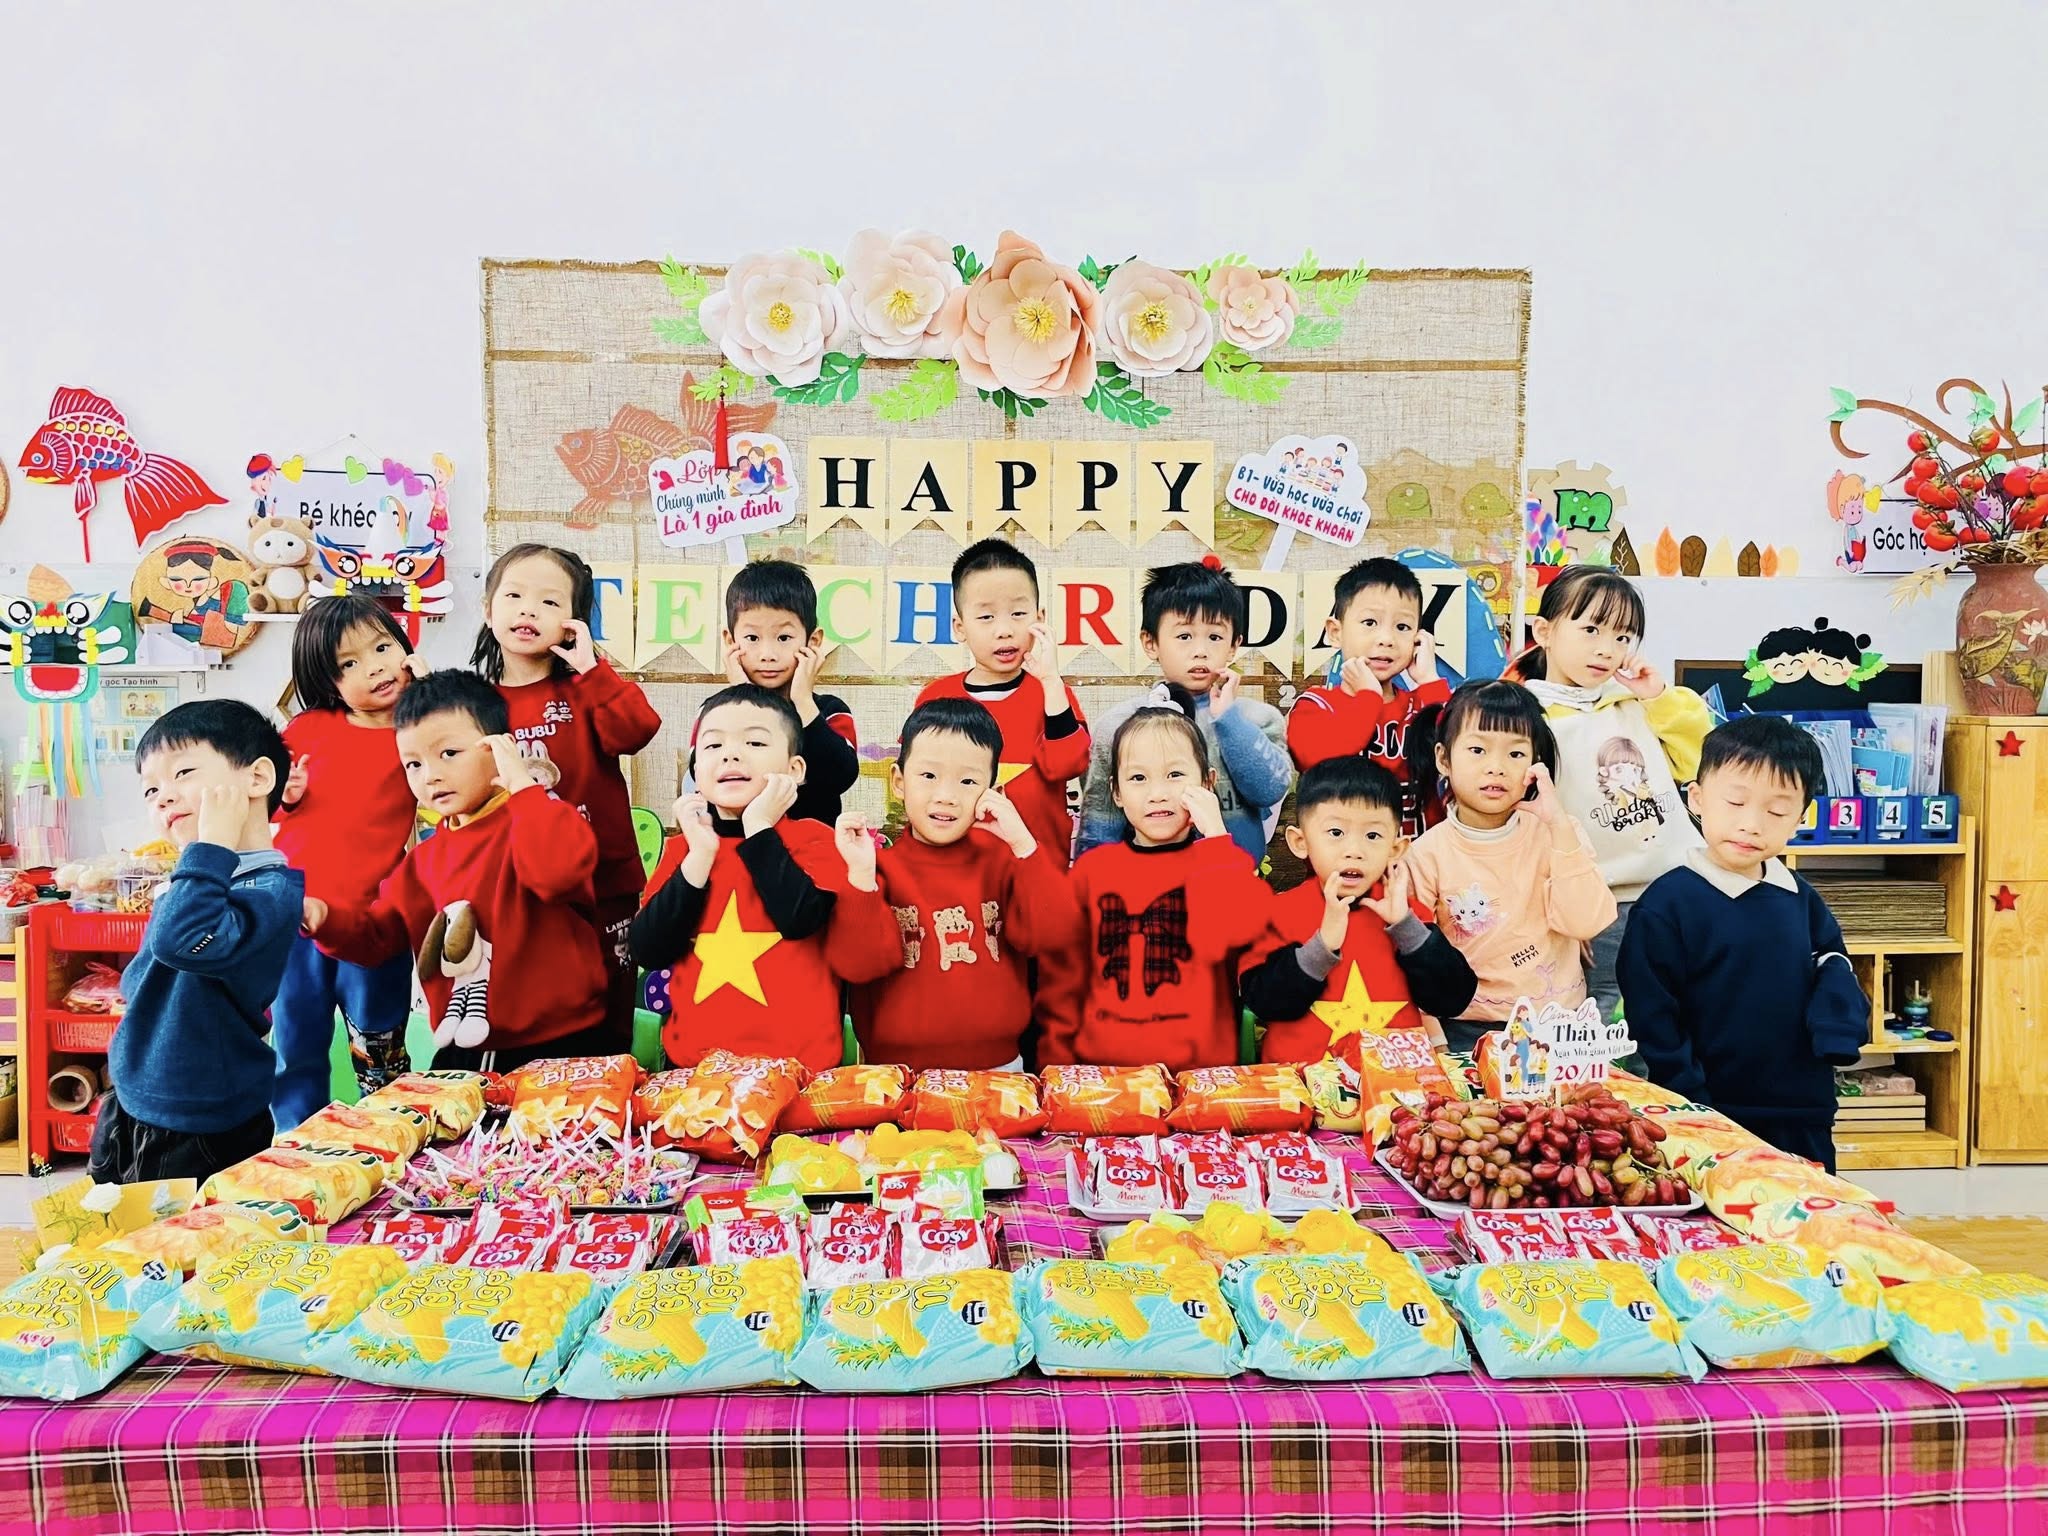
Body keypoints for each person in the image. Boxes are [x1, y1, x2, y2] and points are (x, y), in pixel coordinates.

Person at [304, 670, 609, 1073]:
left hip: (563, 1044)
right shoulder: (423, 860)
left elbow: (555, 874)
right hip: (464, 1052)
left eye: (449, 753)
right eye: (413, 764)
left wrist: (521, 783)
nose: (430, 775)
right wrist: (324, 919)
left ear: (500, 748)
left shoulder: (545, 818)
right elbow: (377, 938)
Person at [1618, 715, 1869, 1171]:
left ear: (1802, 816)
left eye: (1776, 811)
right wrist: (1690, 1101)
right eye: (1735, 802)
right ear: (1696, 798)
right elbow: (1653, 1017)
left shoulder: (1799, 897)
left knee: (1808, 1209)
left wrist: (1837, 1032)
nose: (1751, 824)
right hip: (1710, 1114)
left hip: (1803, 1109)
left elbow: (1834, 964)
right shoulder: (1667, 905)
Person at [89, 701, 303, 1184]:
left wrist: (211, 846)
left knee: (182, 1231)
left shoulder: (268, 890)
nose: (163, 797)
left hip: (199, 1117)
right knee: (113, 1220)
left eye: (183, 772)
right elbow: (144, 974)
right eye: (151, 789)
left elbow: (179, 943)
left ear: (257, 778)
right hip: (137, 1094)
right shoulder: (201, 876)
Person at [629, 684, 894, 1073]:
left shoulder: (816, 840)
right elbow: (648, 950)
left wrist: (758, 827)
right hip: (696, 1071)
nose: (731, 754)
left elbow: (799, 919)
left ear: (794, 770)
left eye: (754, 742)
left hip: (800, 1071)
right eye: (713, 745)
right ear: (696, 772)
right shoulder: (684, 850)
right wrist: (700, 856)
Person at [471, 543, 660, 1049]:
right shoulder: (473, 703)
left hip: (603, 885)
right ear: (488, 610)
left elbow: (637, 730)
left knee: (608, 1022)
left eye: (550, 602)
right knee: (534, 1016)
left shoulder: (586, 688)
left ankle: (607, 1093)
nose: (529, 610)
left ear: (574, 623)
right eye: (514, 596)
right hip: (520, 889)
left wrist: (592, 668)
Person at [1041, 690, 1274, 1072]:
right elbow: (1063, 979)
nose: (1157, 794)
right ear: (1116, 792)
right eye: (1138, 778)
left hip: (1199, 1077)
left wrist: (1217, 837)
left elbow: (1237, 932)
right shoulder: (1092, 871)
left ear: (1208, 783)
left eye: (1175, 775)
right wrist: (1058, 1063)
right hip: (1103, 1076)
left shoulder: (1223, 864)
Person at [1514, 566, 1709, 1020]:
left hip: (1679, 890)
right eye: (1591, 630)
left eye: (1623, 636)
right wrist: (1564, 911)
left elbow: (1699, 762)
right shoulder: (1528, 718)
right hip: (1602, 904)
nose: (1607, 648)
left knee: (1685, 1012)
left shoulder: (1635, 703)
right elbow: (1525, 824)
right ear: (1544, 631)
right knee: (1607, 1019)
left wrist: (1658, 697)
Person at [848, 698, 1081, 1071]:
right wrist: (860, 880)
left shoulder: (1004, 862)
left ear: (993, 792)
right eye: (928, 776)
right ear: (899, 782)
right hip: (898, 1074)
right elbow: (858, 965)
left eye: (968, 781)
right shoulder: (878, 870)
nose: (946, 796)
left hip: (1000, 1068)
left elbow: (1054, 935)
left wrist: (1024, 844)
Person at [269, 596, 424, 1128]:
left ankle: (389, 1136)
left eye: (382, 648)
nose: (375, 668)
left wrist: (431, 691)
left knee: (380, 1053)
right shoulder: (308, 730)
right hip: (296, 920)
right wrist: (285, 796)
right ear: (328, 682)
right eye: (349, 664)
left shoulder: (421, 732)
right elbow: (265, 805)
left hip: (374, 923)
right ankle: (295, 1144)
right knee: (295, 1046)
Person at [1399, 679, 1617, 1053]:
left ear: (1535, 764)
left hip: (1560, 1025)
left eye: (1516, 754)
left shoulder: (1559, 832)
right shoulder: (1425, 855)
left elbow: (1586, 923)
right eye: (1477, 750)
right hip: (1468, 1031)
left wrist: (1559, 827)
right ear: (1443, 759)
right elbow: (1415, 963)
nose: (1496, 768)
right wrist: (1435, 1042)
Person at [1239, 758, 1476, 1062]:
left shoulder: (1408, 914)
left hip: (1395, 1079)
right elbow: (1264, 1002)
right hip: (1300, 1080)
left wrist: (1407, 929)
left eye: (1372, 836)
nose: (1354, 851)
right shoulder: (1280, 912)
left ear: (1396, 849)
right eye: (1336, 833)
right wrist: (1322, 945)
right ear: (1300, 842)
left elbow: (1453, 1000)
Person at [1078, 557, 1291, 864]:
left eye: (1215, 637)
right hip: (1148, 882)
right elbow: (1100, 821)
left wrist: (1228, 720)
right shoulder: (1119, 725)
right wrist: (1091, 884)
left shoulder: (1258, 719)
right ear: (1151, 643)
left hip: (1237, 880)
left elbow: (1268, 790)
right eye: (1184, 636)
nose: (1200, 651)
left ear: (1234, 646)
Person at [914, 538, 1089, 868]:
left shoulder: (1052, 694)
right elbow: (919, 784)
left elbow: (1068, 765)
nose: (1004, 630)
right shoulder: (935, 697)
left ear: (1040, 618)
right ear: (960, 627)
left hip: (1039, 867)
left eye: (1018, 614)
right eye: (986, 617)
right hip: (957, 870)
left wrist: (1051, 682)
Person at [1287, 556, 1451, 834]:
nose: (1386, 639)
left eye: (1402, 627)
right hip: (1346, 858)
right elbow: (1319, 762)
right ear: (1335, 633)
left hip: (1420, 856)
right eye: (1370, 622)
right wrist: (1368, 697)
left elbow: (1457, 760)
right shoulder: (1316, 705)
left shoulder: (1422, 705)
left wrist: (1429, 681)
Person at [708, 558, 859, 825]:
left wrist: (802, 700)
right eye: (752, 638)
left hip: (810, 847)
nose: (768, 654)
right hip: (736, 846)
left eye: (784, 638)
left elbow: (840, 776)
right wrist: (743, 698)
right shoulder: (714, 713)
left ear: (813, 641)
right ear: (730, 642)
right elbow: (703, 774)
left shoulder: (830, 712)